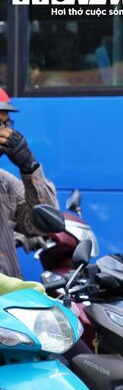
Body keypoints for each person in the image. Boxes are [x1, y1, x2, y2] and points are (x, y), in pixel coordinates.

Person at [0, 87, 58, 279]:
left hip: (8, 301)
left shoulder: (5, 183)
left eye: (7, 124)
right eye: (0, 124)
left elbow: (45, 224)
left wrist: (29, 166)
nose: (6, 132)